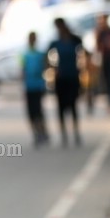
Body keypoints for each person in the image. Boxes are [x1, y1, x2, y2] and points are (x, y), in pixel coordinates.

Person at [48, 17, 84, 147]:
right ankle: (64, 134)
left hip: (73, 77)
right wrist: (53, 69)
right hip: (61, 78)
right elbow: (47, 56)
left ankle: (76, 133)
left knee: (73, 106)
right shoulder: (56, 42)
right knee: (61, 107)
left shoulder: (74, 40)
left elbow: (83, 50)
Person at [21, 31, 50, 147]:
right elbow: (23, 71)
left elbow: (45, 67)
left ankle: (42, 131)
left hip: (38, 86)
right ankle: (36, 133)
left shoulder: (40, 54)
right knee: (31, 112)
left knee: (38, 111)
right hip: (29, 86)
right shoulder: (25, 55)